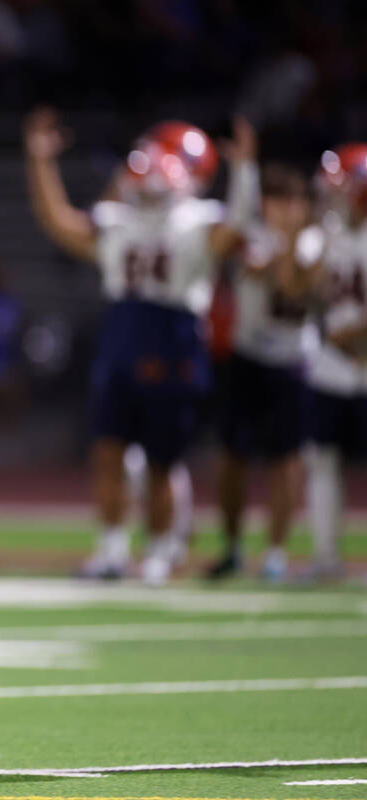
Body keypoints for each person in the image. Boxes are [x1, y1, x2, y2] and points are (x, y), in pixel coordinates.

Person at [24, 110, 253, 584]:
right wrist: (39, 162)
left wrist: (247, 173)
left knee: (162, 462)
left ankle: (161, 551)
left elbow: (235, 234)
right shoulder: (118, 221)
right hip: (123, 337)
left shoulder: (197, 221)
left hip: (172, 339)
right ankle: (110, 551)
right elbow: (59, 223)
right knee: (107, 452)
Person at [207, 164, 321, 582]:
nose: (285, 209)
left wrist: (286, 244)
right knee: (231, 457)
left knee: (285, 459)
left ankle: (275, 553)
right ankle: (232, 547)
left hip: (292, 360)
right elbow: (247, 263)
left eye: (292, 201)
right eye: (276, 200)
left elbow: (293, 286)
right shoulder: (251, 237)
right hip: (247, 354)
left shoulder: (313, 242)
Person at [303, 143, 367, 581]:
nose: (336, 196)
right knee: (321, 460)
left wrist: (349, 334)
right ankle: (325, 558)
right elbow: (299, 287)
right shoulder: (325, 235)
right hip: (330, 367)